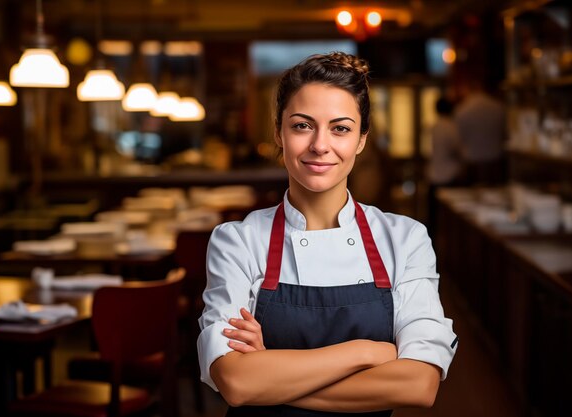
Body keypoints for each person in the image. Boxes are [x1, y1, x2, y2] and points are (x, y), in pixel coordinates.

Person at [197, 52, 458, 416]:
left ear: (361, 139)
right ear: (279, 132)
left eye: (341, 128)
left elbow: (418, 384)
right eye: (302, 125)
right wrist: (367, 352)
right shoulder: (237, 241)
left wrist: (269, 375)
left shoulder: (405, 239)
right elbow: (236, 383)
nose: (320, 145)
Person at [453, 80, 506, 185]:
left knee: (472, 198)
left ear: (468, 89)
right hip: (495, 162)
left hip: (472, 163)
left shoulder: (463, 110)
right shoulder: (498, 107)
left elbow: (459, 139)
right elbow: (504, 134)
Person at [426, 95, 463, 239]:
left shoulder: (436, 126)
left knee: (433, 219)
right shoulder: (451, 127)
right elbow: (457, 151)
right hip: (449, 177)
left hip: (434, 175)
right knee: (446, 222)